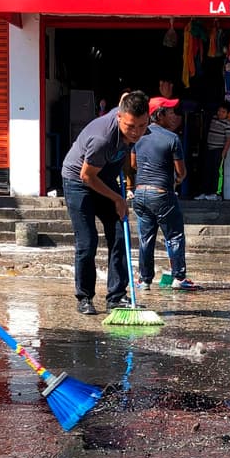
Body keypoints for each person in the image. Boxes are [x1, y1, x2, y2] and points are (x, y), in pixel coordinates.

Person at [61, 90, 149, 315]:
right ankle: (84, 297)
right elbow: (87, 176)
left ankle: (116, 296)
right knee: (87, 241)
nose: (137, 132)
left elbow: (126, 94)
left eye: (141, 125)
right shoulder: (103, 139)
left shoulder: (128, 114)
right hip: (79, 181)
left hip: (105, 179)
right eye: (131, 126)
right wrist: (118, 198)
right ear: (119, 117)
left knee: (120, 234)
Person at [132, 97, 197, 291]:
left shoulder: (138, 136)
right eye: (170, 112)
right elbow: (182, 172)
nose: (175, 116)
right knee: (175, 235)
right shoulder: (172, 138)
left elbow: (134, 164)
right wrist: (176, 181)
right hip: (161, 194)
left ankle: (144, 280)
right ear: (159, 115)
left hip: (141, 193)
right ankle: (179, 277)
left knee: (146, 239)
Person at [200, 100, 230, 200]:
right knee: (207, 171)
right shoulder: (214, 118)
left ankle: (217, 193)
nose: (220, 113)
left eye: (223, 112)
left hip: (219, 151)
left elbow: (229, 140)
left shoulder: (228, 124)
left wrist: (224, 152)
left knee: (217, 172)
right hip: (210, 149)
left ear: (228, 114)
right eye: (219, 111)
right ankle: (205, 192)